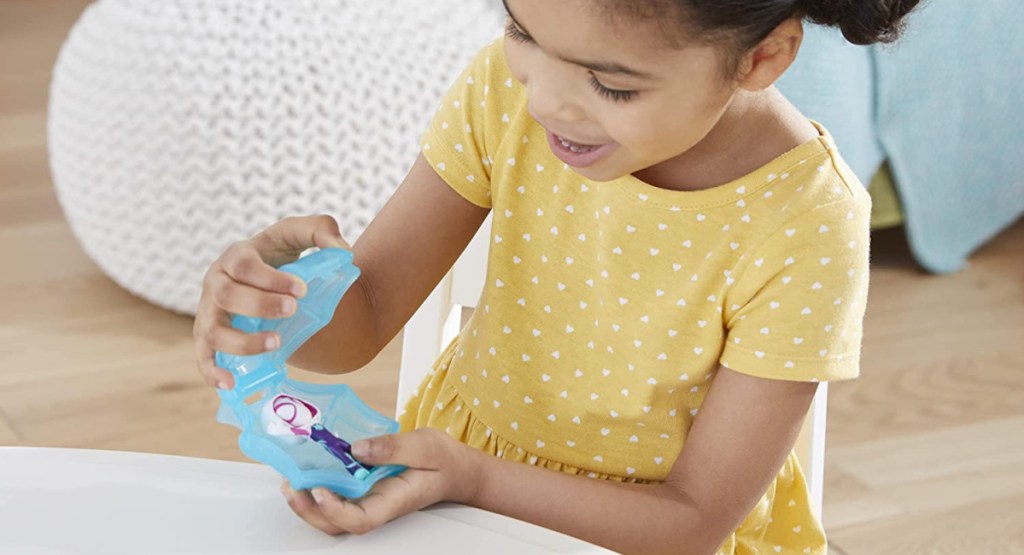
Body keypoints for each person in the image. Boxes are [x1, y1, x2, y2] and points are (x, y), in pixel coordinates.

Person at [194, 1, 919, 552]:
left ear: (762, 58)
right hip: (451, 490)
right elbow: (367, 314)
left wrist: (477, 479)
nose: (543, 100)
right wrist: (274, 303)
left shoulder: (806, 220)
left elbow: (691, 518)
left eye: (611, 85)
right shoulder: (501, 93)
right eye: (521, 33)